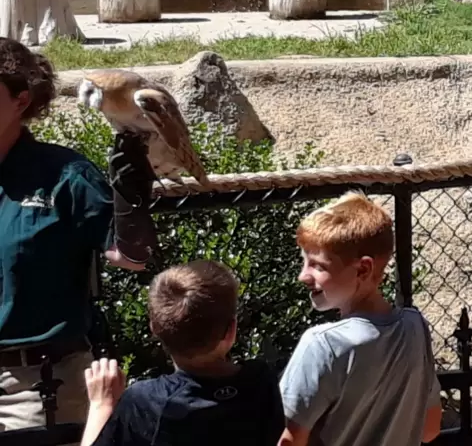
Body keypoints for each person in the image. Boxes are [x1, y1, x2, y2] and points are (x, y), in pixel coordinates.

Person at [0, 38, 145, 433]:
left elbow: (131, 257)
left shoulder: (66, 176)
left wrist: (131, 195)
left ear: (21, 101)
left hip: (36, 388)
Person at [278, 191, 443, 446]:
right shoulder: (414, 327)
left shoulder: (322, 345)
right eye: (304, 262)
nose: (303, 276)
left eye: (318, 266)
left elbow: (290, 440)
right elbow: (430, 428)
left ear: (363, 269)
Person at [79, 259, 285, 446]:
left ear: (154, 328)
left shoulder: (146, 403)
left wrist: (101, 404)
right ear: (231, 330)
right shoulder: (262, 383)